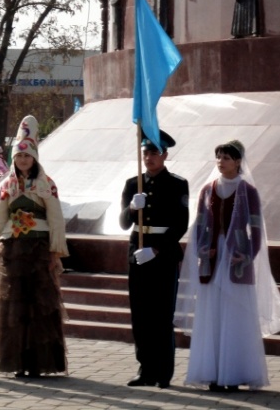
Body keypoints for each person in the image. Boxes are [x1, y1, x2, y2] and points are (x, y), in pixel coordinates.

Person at [175, 140, 280, 392]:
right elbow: (199, 225)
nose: (221, 161)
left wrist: (246, 255)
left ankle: (235, 373)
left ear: (238, 161)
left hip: (236, 264)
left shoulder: (248, 191)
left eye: (226, 157)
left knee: (235, 318)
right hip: (212, 263)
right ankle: (214, 374)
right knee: (212, 317)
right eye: (218, 157)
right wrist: (203, 249)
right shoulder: (208, 189)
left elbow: (257, 230)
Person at [0, 115, 69, 378]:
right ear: (13, 159)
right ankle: (17, 361)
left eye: (27, 156)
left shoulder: (47, 185)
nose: (23, 161)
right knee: (14, 308)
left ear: (34, 158)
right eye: (18, 157)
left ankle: (40, 362)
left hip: (38, 248)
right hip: (12, 249)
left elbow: (56, 218)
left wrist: (55, 251)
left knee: (40, 305)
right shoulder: (7, 185)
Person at [118, 129, 189, 389]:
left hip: (163, 256)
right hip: (137, 255)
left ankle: (163, 372)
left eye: (154, 153)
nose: (149, 157)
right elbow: (124, 223)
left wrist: (156, 250)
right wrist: (131, 208)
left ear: (165, 155)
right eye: (145, 153)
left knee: (161, 315)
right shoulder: (131, 184)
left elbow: (180, 224)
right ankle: (145, 369)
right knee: (141, 316)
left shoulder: (177, 184)